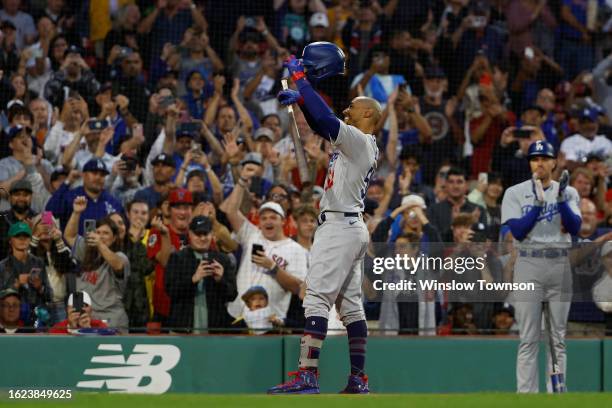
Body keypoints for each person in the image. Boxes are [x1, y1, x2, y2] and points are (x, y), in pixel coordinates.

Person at [270, 53, 380, 394]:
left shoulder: (360, 141)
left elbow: (326, 118)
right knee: (350, 306)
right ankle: (358, 378)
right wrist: (302, 101)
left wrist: (301, 80)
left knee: (316, 298)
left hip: (339, 226)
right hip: (350, 226)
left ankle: (307, 375)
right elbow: (320, 122)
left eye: (354, 107)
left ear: (369, 116)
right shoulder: (356, 143)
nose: (348, 109)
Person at [501, 140, 581, 393]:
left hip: (559, 263)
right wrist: (537, 204)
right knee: (528, 337)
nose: (540, 163)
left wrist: (560, 200)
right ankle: (527, 396)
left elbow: (575, 227)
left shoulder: (567, 191)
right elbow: (519, 232)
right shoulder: (514, 192)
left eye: (545, 158)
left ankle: (556, 392)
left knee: (558, 338)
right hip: (529, 263)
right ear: (530, 163)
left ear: (554, 162)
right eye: (535, 158)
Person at [64, 198, 130, 332]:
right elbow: (69, 236)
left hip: (111, 320)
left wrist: (99, 243)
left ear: (115, 238)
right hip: (86, 319)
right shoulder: (87, 252)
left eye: (106, 233)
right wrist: (76, 213)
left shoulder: (120, 256)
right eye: (98, 232)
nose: (100, 236)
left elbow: (117, 265)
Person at [165, 215, 236, 333]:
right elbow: (170, 291)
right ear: (190, 234)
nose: (202, 238)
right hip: (183, 330)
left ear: (212, 234)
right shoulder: (177, 258)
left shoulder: (223, 259)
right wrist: (193, 279)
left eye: (206, 234)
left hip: (215, 331)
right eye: (198, 234)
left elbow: (232, 295)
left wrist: (220, 280)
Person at [45, 158, 124, 234]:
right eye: (94, 173)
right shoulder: (71, 197)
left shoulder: (112, 201)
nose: (98, 177)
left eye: (102, 175)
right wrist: (67, 182)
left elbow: (124, 226)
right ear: (84, 175)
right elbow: (47, 213)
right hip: (73, 246)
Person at [0, 221, 51, 326]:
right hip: (10, 318)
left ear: (30, 239)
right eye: (18, 236)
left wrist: (40, 287)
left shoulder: (38, 262)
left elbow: (50, 295)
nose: (22, 239)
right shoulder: (2, 266)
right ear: (10, 240)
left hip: (36, 318)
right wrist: (16, 285)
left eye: (26, 236)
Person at [0, 179, 36, 260]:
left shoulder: (39, 219)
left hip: (34, 267)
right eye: (17, 194)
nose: (21, 198)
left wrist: (33, 235)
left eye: (25, 195)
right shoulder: (1, 219)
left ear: (31, 197)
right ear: (10, 197)